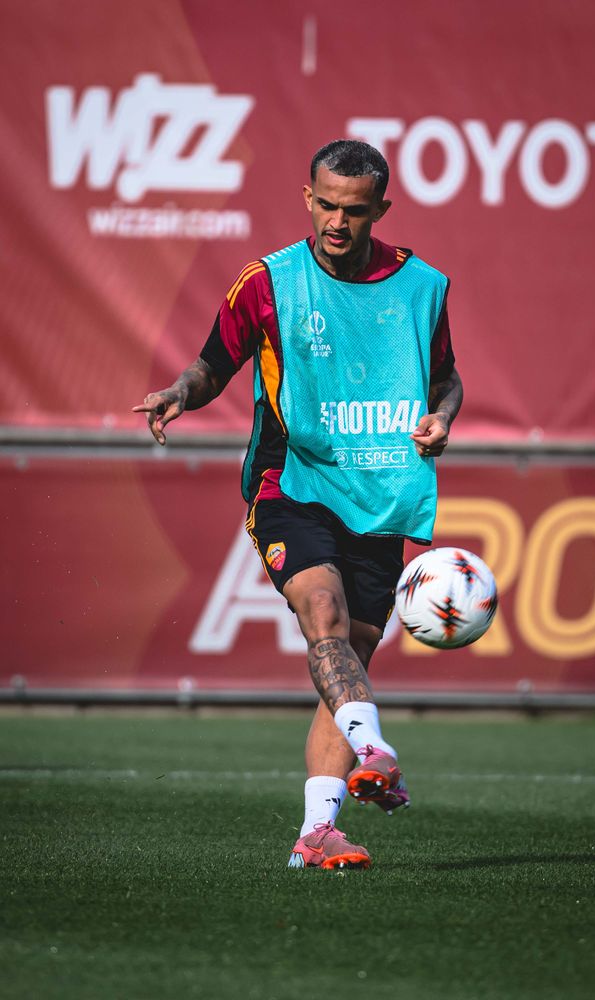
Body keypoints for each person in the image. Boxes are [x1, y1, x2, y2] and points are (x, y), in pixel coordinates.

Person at [133, 139, 463, 870]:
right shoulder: (268, 282)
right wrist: (178, 394)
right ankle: (375, 749)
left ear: (380, 209)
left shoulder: (422, 287)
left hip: (377, 493)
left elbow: (445, 378)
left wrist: (441, 418)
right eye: (327, 205)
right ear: (308, 199)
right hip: (290, 484)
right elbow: (213, 364)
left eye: (355, 210)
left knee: (351, 656)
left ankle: (316, 834)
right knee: (323, 614)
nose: (337, 223)